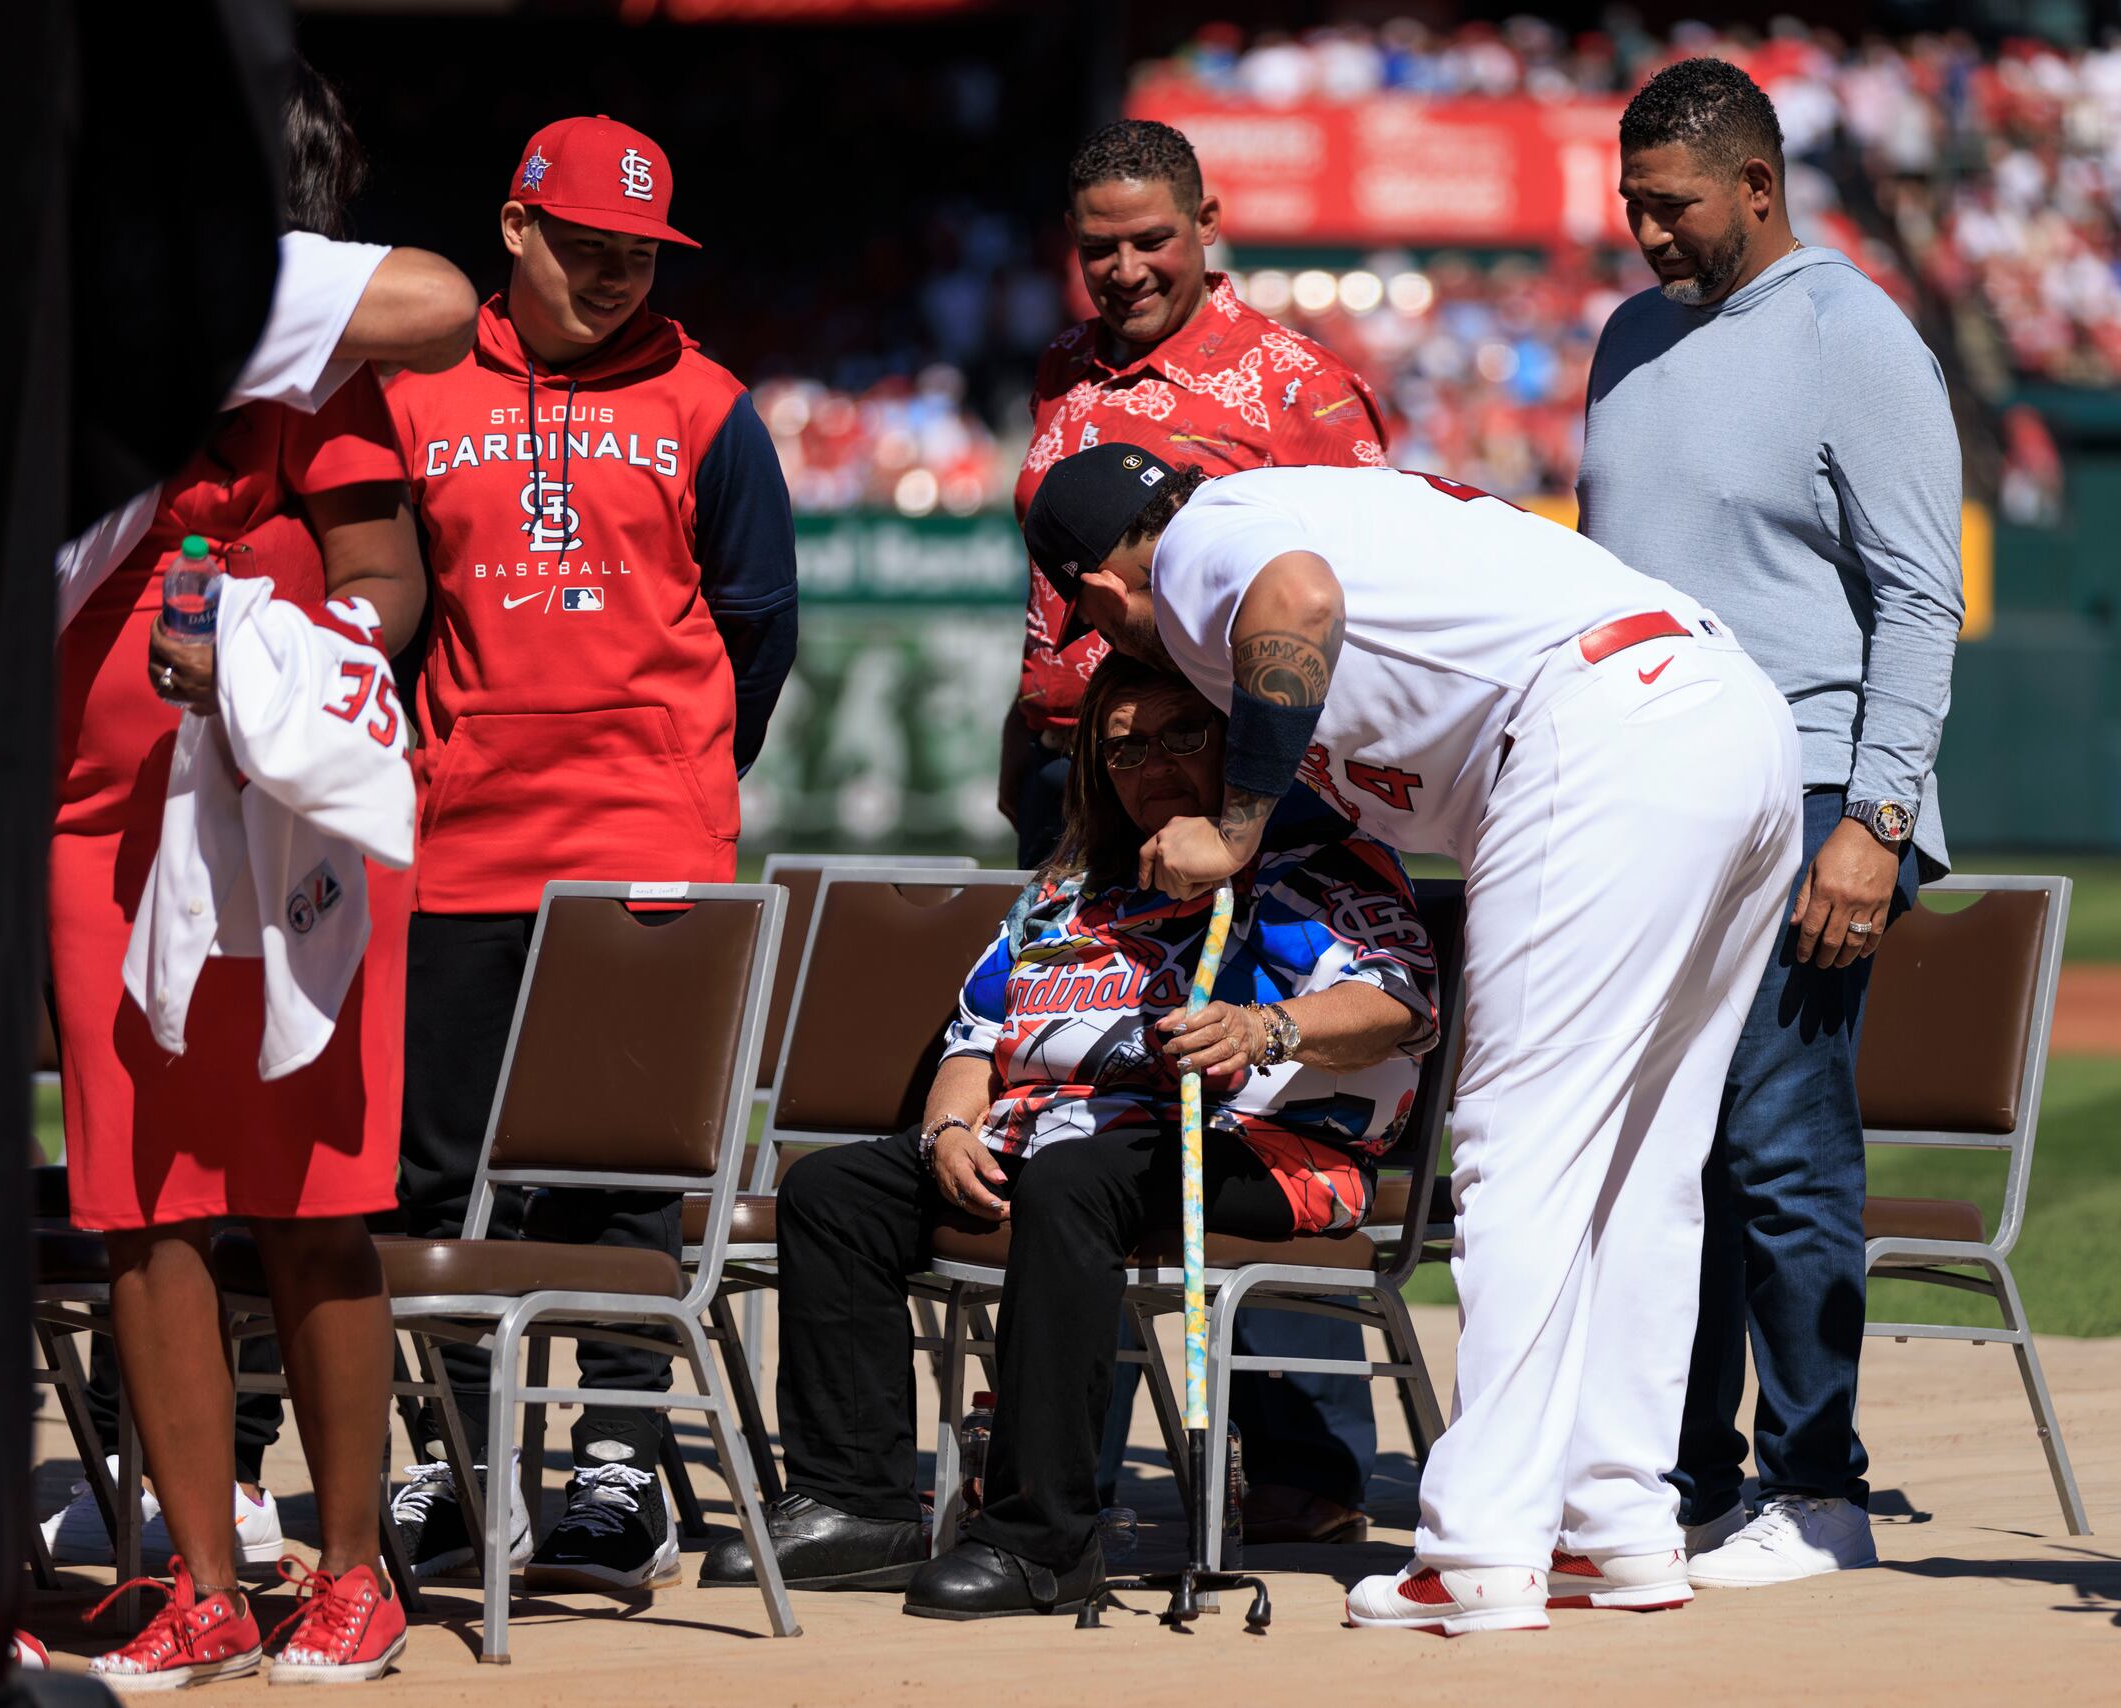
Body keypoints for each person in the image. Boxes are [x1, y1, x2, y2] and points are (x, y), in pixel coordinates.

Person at [1021, 446, 1801, 1633]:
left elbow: (1295, 597)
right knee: (1642, 1160)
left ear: (1097, 591)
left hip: (1600, 729)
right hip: (1723, 719)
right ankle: (1614, 1523)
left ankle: (1482, 1546)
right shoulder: (1283, 502)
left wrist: (1232, 829)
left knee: (1517, 1146)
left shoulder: (1197, 543)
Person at [698, 651, 1436, 1616]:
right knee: (833, 1193)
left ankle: (1042, 1538)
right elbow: (975, 1034)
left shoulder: (1301, 867)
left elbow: (1396, 1002)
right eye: (1124, 749)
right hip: (1050, 1138)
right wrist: (950, 1129)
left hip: (1258, 1148)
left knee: (1073, 1180)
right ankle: (855, 1509)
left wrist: (1265, 1028)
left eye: (1184, 734)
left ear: (1238, 744)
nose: (1152, 765)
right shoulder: (1070, 886)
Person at [45, 63, 467, 1689]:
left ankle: (352, 1570)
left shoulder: (310, 368)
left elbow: (383, 571)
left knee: (313, 1200)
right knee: (140, 1209)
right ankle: (204, 1581)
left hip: (288, 832)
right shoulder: (73, 346)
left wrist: (287, 662)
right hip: (98, 830)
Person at [379, 113, 797, 1593]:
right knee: (435, 1185)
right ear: (514, 228)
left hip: (646, 861)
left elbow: (760, 626)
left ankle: (620, 1465)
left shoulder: (706, 402)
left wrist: (671, 781)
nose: (616, 275)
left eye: (640, 254)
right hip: (457, 853)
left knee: (624, 1185)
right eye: (586, 247)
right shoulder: (415, 390)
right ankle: (448, 1462)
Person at [1575, 58, 1963, 1588]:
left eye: (1669, 207)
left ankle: (1821, 1490)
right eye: (1630, 206)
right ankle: (1684, 1480)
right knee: (1658, 1150)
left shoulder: (1848, 333)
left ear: (1755, 183)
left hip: (1804, 784)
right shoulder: (1623, 336)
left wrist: (1877, 817)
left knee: (1781, 1145)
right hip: (1641, 796)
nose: (1648, 233)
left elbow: (1920, 601)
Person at [1003, 117, 1395, 1548]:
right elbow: (1054, 598)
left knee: (1262, 1099)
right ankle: (1069, 1454)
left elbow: (1349, 600)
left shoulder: (1296, 383)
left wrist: (1263, 814)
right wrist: (1024, 736)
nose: (1121, 267)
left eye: (1149, 237)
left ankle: (1305, 1452)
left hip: (1253, 807)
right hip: (1090, 787)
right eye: (1096, 243)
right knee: (1077, 1093)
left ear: (1207, 221)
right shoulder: (1060, 373)